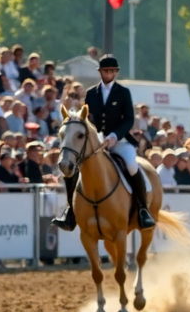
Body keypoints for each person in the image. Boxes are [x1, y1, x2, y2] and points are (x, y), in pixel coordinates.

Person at [51, 54, 155, 230]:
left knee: (131, 165)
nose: (108, 74)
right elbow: (89, 118)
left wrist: (115, 135)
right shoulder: (92, 93)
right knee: (73, 168)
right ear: (101, 72)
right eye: (106, 71)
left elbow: (129, 119)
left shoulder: (123, 92)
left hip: (119, 140)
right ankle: (70, 212)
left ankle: (143, 209)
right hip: (97, 140)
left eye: (111, 71)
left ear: (115, 72)